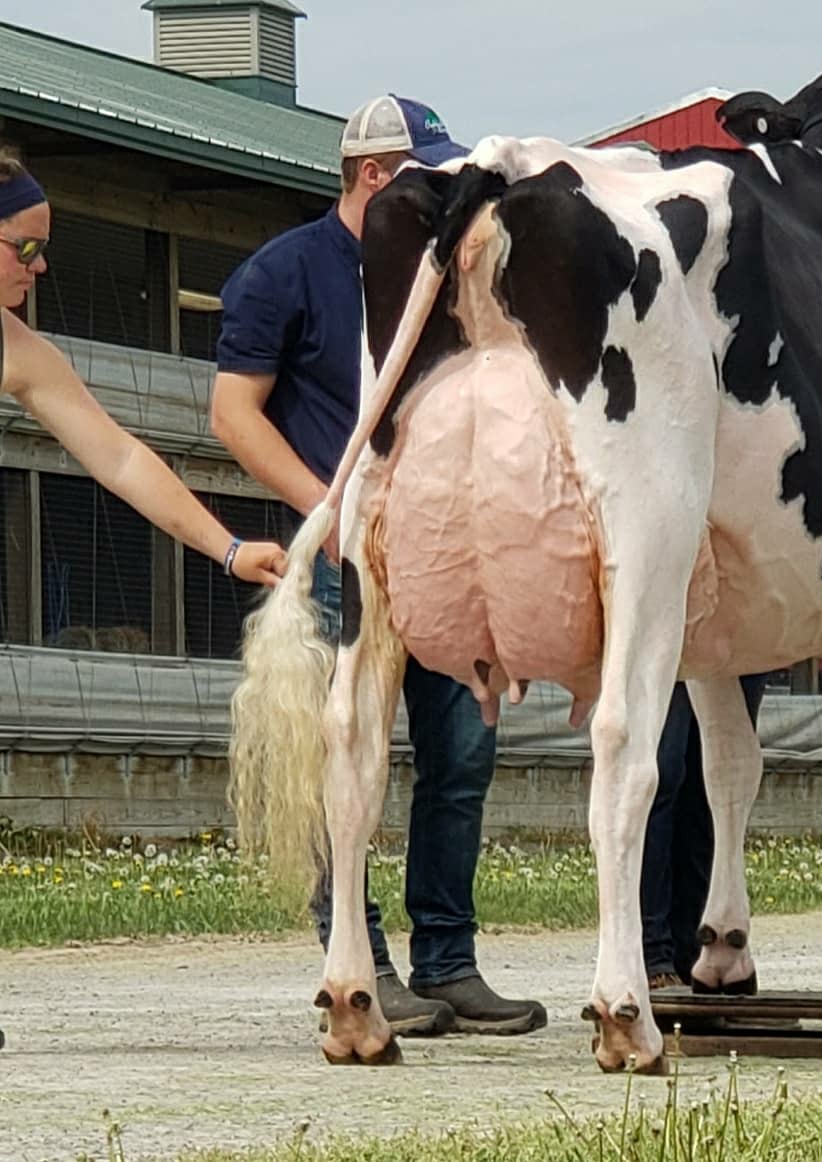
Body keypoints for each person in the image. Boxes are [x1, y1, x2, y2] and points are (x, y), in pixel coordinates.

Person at [210, 95, 546, 1037]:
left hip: (442, 545)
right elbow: (233, 416)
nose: (446, 192)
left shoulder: (452, 271)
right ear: (372, 176)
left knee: (462, 753)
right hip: (344, 545)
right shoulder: (284, 273)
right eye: (425, 177)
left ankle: (449, 958)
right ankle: (356, 953)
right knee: (351, 748)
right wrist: (330, 507)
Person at [0, 155, 285, 593]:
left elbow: (121, 457)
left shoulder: (18, 350)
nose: (40, 267)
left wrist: (230, 550)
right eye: (28, 249)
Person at [642, 674, 769, 988]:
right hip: (671, 633)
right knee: (663, 772)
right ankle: (651, 953)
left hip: (745, 637)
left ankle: (696, 949)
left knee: (715, 786)